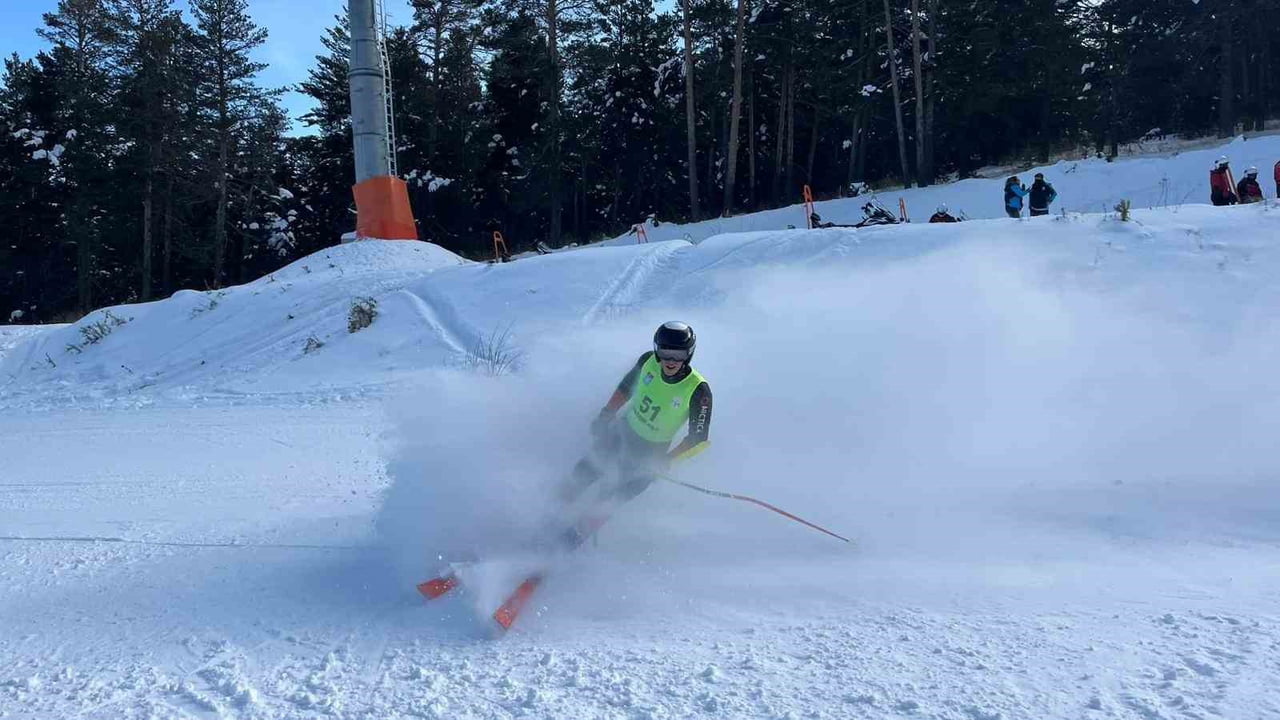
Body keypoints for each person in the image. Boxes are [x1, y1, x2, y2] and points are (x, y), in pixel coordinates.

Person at [558, 321, 713, 546]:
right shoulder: (647, 361)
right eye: (665, 352)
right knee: (585, 471)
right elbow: (626, 388)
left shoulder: (699, 390)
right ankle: (552, 512)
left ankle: (571, 540)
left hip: (650, 453)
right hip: (623, 432)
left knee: (612, 498)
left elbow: (698, 440)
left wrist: (666, 461)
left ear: (688, 354)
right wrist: (606, 414)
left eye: (678, 354)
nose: (670, 361)